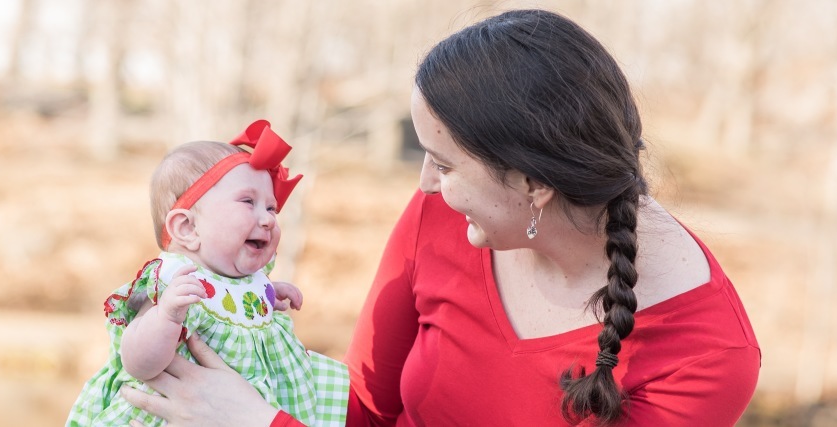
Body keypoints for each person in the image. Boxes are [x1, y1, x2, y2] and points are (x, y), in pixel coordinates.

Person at [121, 9, 761, 427]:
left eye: (444, 163)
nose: (426, 184)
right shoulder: (443, 214)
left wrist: (260, 424)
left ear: (533, 183)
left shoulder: (705, 355)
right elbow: (368, 407)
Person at [66, 120, 349, 427]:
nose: (267, 219)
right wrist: (166, 318)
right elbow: (136, 362)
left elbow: (237, 308)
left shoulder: (249, 279)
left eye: (271, 208)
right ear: (187, 228)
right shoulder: (175, 283)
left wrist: (267, 296)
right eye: (248, 202)